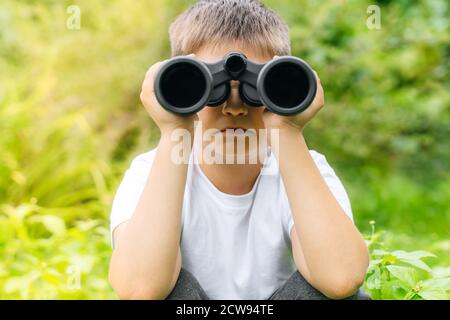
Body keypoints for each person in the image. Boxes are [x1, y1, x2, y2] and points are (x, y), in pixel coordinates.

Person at [108, 0, 370, 300]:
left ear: (279, 88)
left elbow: (342, 277)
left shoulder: (305, 167)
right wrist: (175, 130)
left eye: (254, 89)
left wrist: (287, 131)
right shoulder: (150, 171)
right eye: (210, 88)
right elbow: (139, 288)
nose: (234, 107)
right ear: (178, 86)